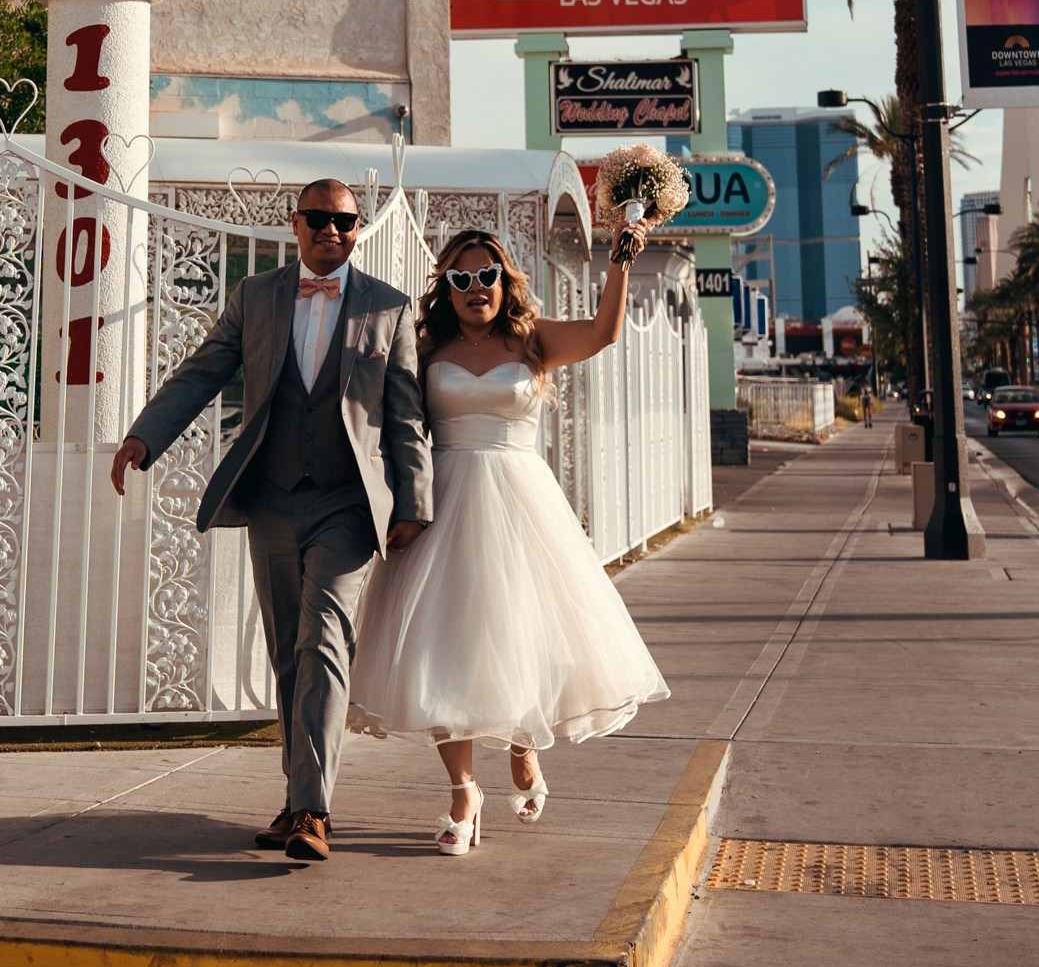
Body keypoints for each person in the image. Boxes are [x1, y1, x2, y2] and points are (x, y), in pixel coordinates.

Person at [110, 177, 429, 866]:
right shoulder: (255, 296)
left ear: (356, 228)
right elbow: (201, 374)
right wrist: (143, 438)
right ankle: (295, 800)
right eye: (317, 219)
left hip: (348, 502)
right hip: (273, 498)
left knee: (323, 642)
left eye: (343, 222)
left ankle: (313, 808)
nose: (330, 232)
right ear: (295, 224)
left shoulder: (390, 308)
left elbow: (405, 416)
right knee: (289, 649)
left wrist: (413, 504)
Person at [349, 219, 670, 852]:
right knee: (440, 647)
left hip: (521, 501)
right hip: (444, 502)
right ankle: (463, 793)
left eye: (487, 275)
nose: (476, 288)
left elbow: (604, 334)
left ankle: (525, 743)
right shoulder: (426, 345)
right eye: (462, 277)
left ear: (504, 281)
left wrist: (620, 263)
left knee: (523, 633)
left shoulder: (532, 341)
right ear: (447, 286)